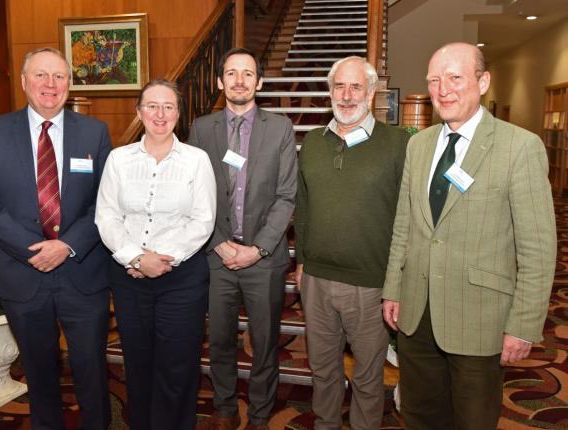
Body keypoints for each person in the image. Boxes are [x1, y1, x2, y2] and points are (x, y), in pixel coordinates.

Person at [382, 42, 557, 430]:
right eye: (434, 80)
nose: (443, 89)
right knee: (421, 415)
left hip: (479, 319)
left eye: (455, 78)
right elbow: (404, 225)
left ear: (483, 82)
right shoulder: (418, 145)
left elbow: (538, 250)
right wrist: (393, 287)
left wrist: (523, 324)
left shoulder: (519, 147)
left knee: (473, 420)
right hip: (416, 314)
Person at [0, 47, 112, 429]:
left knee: (91, 366)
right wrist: (33, 249)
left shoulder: (94, 133)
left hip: (83, 272)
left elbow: (107, 200)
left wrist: (66, 245)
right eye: (41, 75)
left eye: (59, 76)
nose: (50, 85)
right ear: (24, 82)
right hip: (21, 272)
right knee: (39, 368)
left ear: (69, 84)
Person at [294, 56, 409, 430]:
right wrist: (302, 261)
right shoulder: (312, 141)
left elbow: (407, 217)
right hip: (316, 281)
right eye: (338, 86)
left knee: (368, 375)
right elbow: (304, 205)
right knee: (323, 369)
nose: (346, 95)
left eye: (355, 86)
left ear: (371, 92)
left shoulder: (397, 144)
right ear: (329, 91)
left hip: (371, 283)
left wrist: (397, 280)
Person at [95, 79, 216, 430]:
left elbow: (202, 220)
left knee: (178, 365)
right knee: (137, 361)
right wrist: (135, 257)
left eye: (168, 107)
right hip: (129, 277)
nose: (159, 114)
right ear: (139, 111)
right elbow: (107, 215)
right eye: (151, 106)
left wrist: (162, 260)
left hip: (182, 279)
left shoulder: (196, 160)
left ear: (179, 114)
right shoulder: (119, 159)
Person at [189, 47, 297, 430]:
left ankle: (263, 412)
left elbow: (287, 195)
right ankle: (223, 407)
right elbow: (194, 194)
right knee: (218, 339)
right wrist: (219, 242)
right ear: (220, 82)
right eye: (231, 73)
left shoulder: (280, 127)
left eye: (247, 73)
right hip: (216, 257)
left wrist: (257, 249)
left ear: (259, 82)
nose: (239, 80)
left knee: (265, 342)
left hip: (263, 259)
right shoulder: (202, 129)